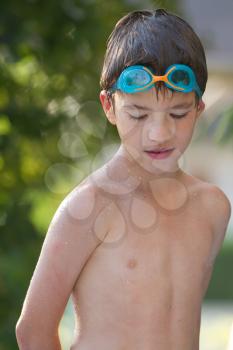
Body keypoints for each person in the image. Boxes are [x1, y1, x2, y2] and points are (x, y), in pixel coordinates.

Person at [16, 8, 231, 350]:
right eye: (139, 114)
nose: (159, 133)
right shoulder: (88, 207)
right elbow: (33, 330)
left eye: (177, 113)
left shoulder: (213, 207)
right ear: (109, 107)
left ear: (199, 109)